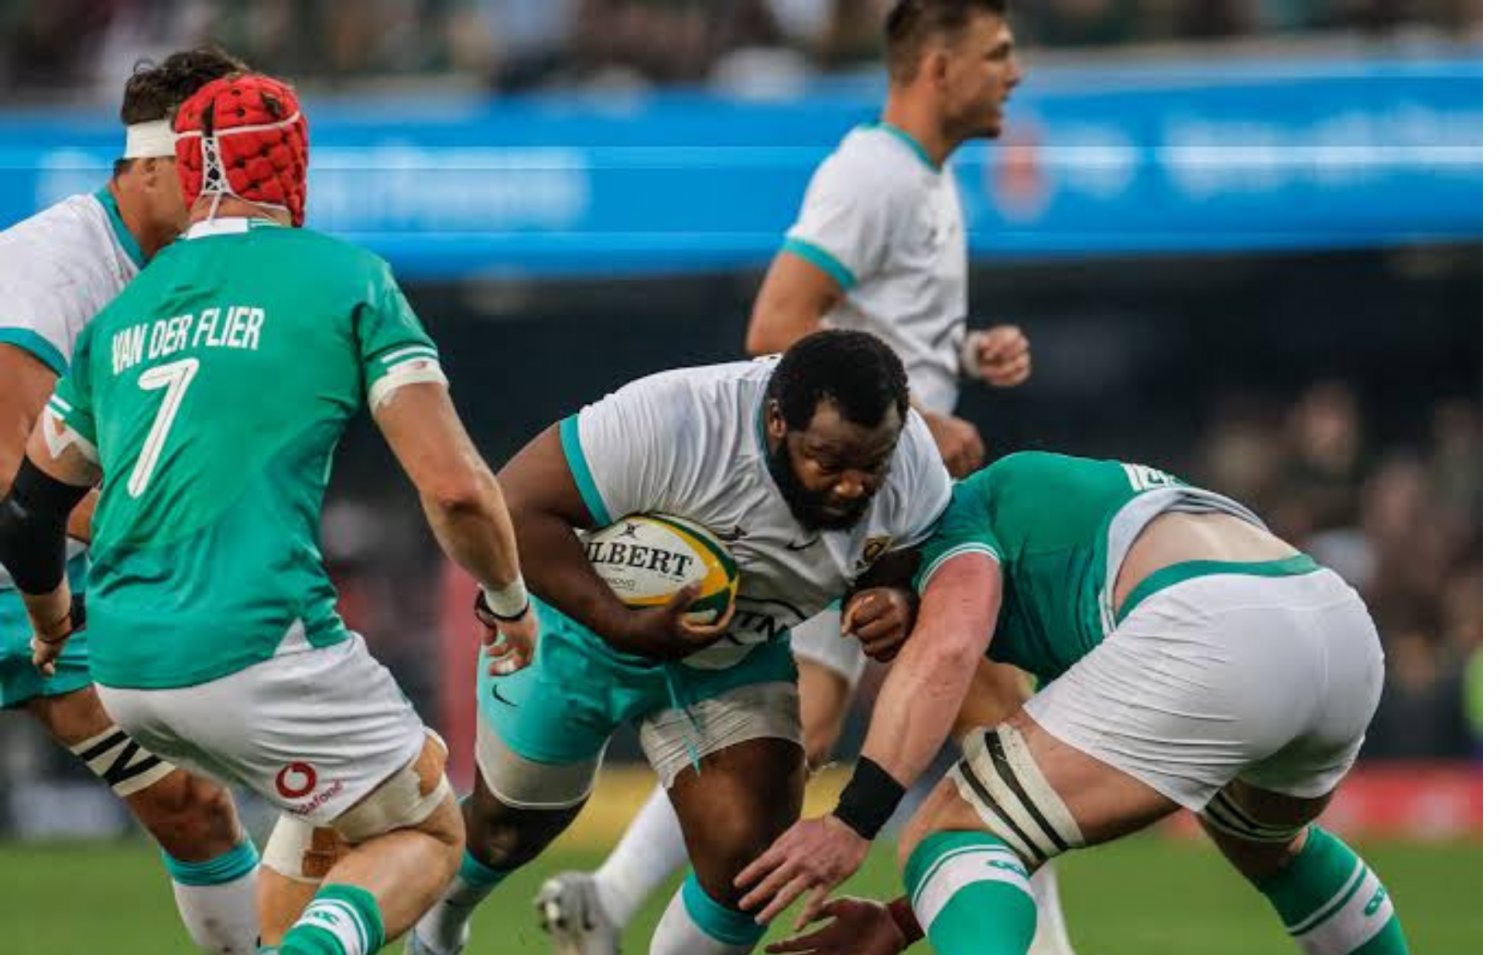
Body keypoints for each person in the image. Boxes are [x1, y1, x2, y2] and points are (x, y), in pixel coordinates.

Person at [538, 4, 1076, 954]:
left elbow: (879, 327)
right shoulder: (875, 175)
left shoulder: (926, 181)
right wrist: (925, 421)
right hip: (859, 505)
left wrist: (961, 352)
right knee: (995, 724)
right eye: (998, 54)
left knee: (883, 724)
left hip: (880, 501)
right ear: (938, 67)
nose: (1016, 72)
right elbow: (778, 323)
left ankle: (609, 902)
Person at [0, 71, 538, 955]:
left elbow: (28, 511)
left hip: (125, 657)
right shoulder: (344, 276)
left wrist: (53, 620)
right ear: (295, 167)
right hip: (248, 638)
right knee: (429, 823)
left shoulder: (125, 313)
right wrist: (511, 600)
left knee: (306, 801)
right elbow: (455, 489)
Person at [408, 331, 953, 955]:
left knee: (753, 863)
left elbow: (903, 565)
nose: (853, 485)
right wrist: (621, 623)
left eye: (872, 465)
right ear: (777, 421)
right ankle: (437, 929)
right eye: (828, 462)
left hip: (733, 653)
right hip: (579, 626)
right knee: (508, 831)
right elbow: (512, 506)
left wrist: (892, 601)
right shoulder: (675, 419)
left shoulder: (914, 465)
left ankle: (612, 907)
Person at [735, 452, 1410, 955]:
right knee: (1272, 849)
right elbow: (1029, 806)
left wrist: (852, 822)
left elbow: (948, 647)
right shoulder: (1046, 508)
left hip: (1213, 628)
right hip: (1331, 619)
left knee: (948, 831)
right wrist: (900, 922)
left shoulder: (963, 523)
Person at [0, 47, 262, 954]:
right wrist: (165, 541)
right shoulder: (54, 264)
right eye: (210, 171)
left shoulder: (181, 279)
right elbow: (10, 462)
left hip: (44, 587)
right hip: (29, 566)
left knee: (194, 806)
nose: (227, 196)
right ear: (152, 165)